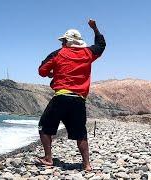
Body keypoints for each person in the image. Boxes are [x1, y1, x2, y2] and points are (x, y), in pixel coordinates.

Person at [37, 19, 106, 171]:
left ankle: (48, 158)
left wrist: (50, 73)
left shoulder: (58, 53)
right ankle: (87, 165)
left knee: (44, 127)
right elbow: (101, 45)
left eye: (63, 41)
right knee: (81, 133)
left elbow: (41, 70)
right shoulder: (88, 53)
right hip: (79, 100)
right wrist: (95, 28)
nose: (62, 43)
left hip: (61, 97)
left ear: (68, 41)